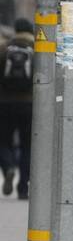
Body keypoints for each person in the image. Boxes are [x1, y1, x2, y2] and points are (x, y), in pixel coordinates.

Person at [0, 18, 35, 199]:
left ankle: (8, 168)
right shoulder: (38, 49)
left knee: (3, 141)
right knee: (28, 146)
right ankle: (23, 188)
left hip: (5, 104)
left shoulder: (4, 49)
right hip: (30, 105)